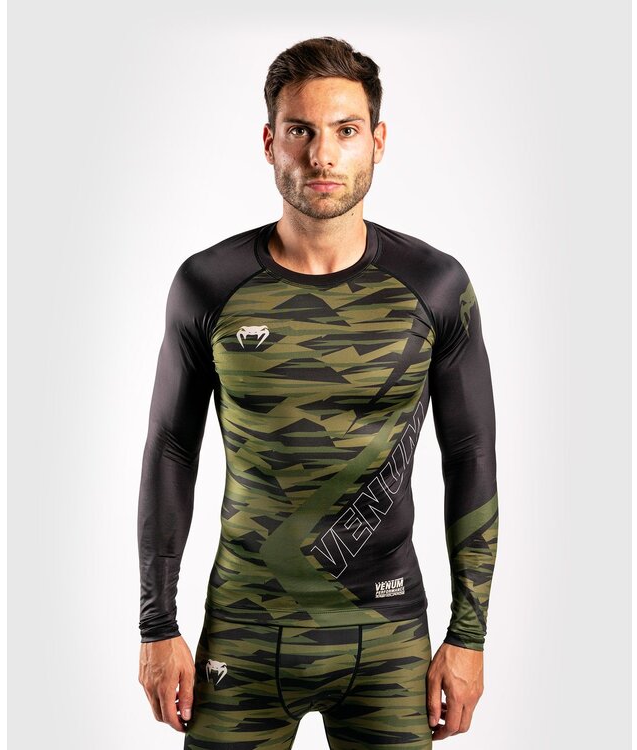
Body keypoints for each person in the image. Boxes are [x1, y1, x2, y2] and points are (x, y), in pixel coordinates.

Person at [137, 36, 499, 750]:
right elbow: (170, 451)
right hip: (243, 629)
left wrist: (469, 635)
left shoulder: (434, 286)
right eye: (301, 131)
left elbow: (471, 455)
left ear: (378, 142)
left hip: (386, 634)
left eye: (346, 131)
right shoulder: (208, 285)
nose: (322, 156)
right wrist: (157, 624)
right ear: (270, 142)